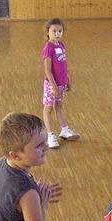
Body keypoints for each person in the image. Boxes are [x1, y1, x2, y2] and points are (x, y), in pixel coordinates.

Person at [41, 18, 79, 149]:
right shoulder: (48, 48)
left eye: (60, 31)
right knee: (48, 108)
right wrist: (54, 86)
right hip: (52, 85)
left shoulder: (61, 45)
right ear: (48, 32)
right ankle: (50, 135)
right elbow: (47, 69)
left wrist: (67, 80)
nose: (57, 33)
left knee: (59, 106)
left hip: (61, 84)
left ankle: (64, 129)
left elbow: (63, 65)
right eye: (54, 31)